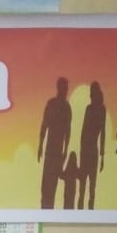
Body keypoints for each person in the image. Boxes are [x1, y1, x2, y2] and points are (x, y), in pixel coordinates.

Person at [38, 77, 72, 209]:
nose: (66, 91)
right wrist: (40, 145)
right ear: (59, 88)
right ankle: (45, 209)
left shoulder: (67, 108)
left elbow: (68, 131)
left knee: (52, 186)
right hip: (50, 150)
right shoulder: (52, 104)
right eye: (64, 88)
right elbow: (44, 125)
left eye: (66, 88)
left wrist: (65, 151)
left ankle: (48, 211)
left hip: (57, 151)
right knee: (45, 186)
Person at [78, 81, 107, 210]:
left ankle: (89, 209)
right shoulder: (93, 109)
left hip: (90, 149)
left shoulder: (97, 109)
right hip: (88, 149)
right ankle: (83, 209)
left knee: (90, 184)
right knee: (85, 184)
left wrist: (102, 155)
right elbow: (84, 130)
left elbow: (102, 132)